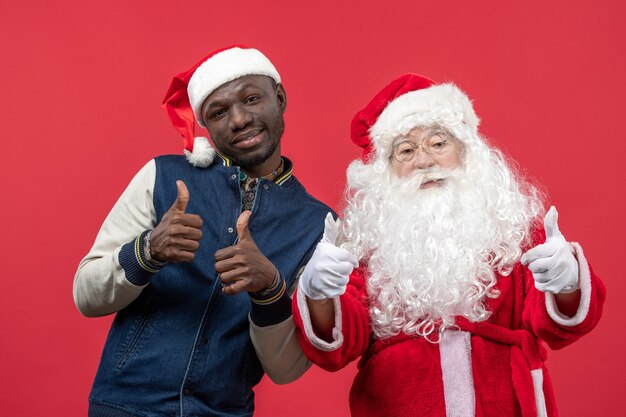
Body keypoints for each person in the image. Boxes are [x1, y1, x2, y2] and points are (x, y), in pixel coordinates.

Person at [292, 74, 606, 417]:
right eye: (406, 151)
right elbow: (338, 346)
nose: (424, 162)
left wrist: (568, 282)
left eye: (438, 144)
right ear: (386, 171)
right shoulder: (366, 246)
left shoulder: (513, 227)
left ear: (466, 150)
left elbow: (559, 324)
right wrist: (319, 294)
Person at [74, 45, 329, 417]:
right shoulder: (162, 177)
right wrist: (147, 251)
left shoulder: (317, 225)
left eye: (252, 99)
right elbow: (86, 294)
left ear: (279, 97)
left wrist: (270, 289)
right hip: (125, 406)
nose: (239, 120)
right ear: (205, 126)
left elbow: (286, 369)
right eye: (219, 112)